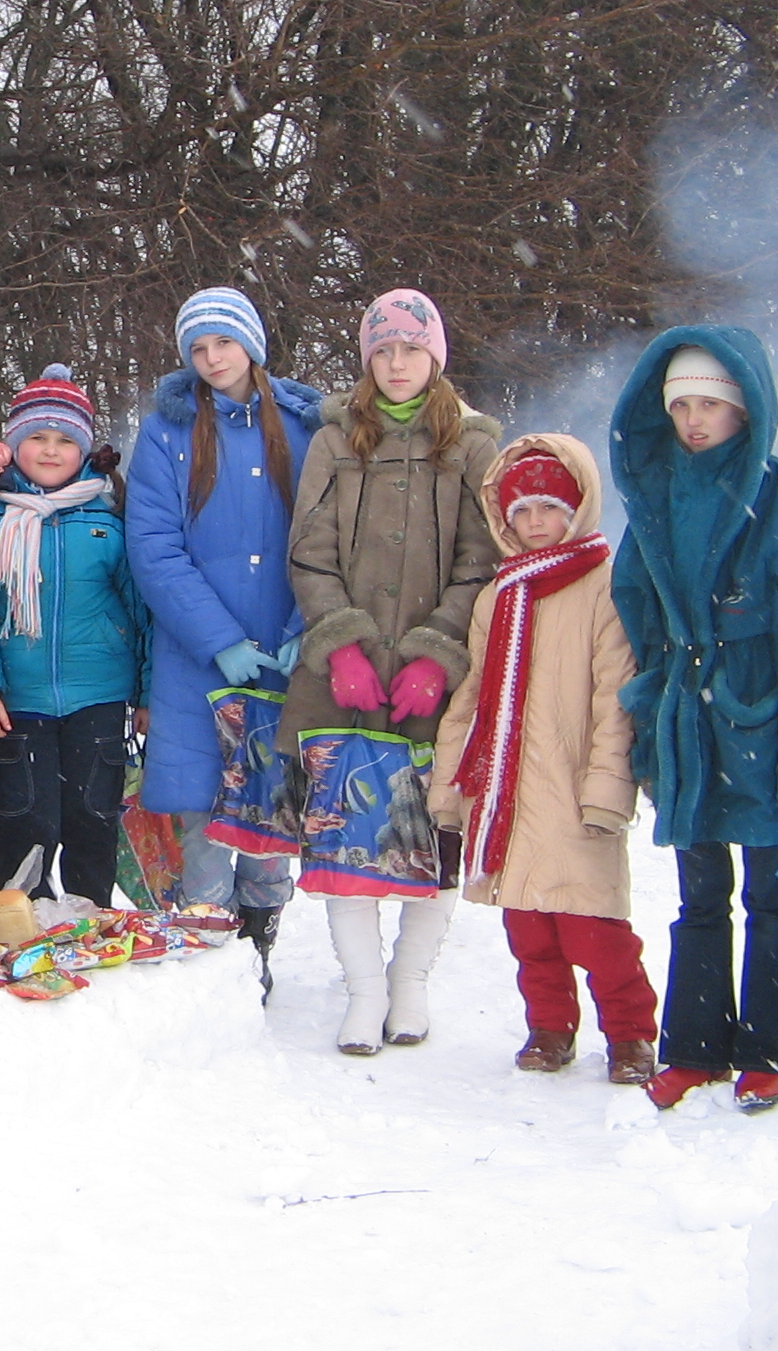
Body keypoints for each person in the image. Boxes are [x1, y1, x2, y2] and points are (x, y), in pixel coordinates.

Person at [608, 330, 778, 1113]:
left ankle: (771, 1048)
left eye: (710, 404)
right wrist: (648, 708)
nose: (695, 421)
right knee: (700, 888)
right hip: (688, 717)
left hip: (764, 713)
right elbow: (637, 610)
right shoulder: (655, 491)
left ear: (743, 408)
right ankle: (695, 1045)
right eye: (681, 405)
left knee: (772, 891)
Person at [281, 289, 500, 1055]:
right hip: (344, 681)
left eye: (412, 348)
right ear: (367, 360)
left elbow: (484, 561)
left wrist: (438, 655)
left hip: (432, 688)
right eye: (383, 349)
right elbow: (307, 552)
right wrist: (340, 644)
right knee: (349, 841)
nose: (397, 363)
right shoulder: (335, 439)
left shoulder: (472, 445)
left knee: (431, 838)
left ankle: (409, 985)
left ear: (434, 356)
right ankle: (363, 992)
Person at [429, 436, 657, 1084]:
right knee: (530, 931)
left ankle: (631, 1035)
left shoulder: (603, 587)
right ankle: (549, 1028)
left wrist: (609, 787)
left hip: (575, 787)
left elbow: (617, 695)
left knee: (597, 930)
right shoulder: (498, 595)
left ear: (577, 510)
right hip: (511, 796)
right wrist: (451, 788)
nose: (535, 523)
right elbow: (470, 697)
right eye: (522, 510)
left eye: (549, 508)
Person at [125, 288, 319, 988]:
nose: (211, 360)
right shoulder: (167, 431)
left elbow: (327, 537)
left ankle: (260, 950)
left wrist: (305, 626)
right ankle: (213, 965)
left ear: (252, 346)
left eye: (223, 344)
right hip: (197, 659)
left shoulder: (306, 424)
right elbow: (153, 547)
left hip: (282, 656)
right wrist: (218, 637)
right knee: (206, 816)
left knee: (267, 821)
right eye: (197, 348)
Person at [0, 366, 148, 906]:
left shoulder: (110, 518)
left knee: (92, 818)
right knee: (27, 824)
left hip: (98, 696)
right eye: (38, 437)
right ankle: (27, 923)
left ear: (83, 449)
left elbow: (142, 609)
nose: (51, 450)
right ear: (14, 445)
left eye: (65, 440)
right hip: (19, 700)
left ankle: (91, 919)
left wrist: (148, 695)